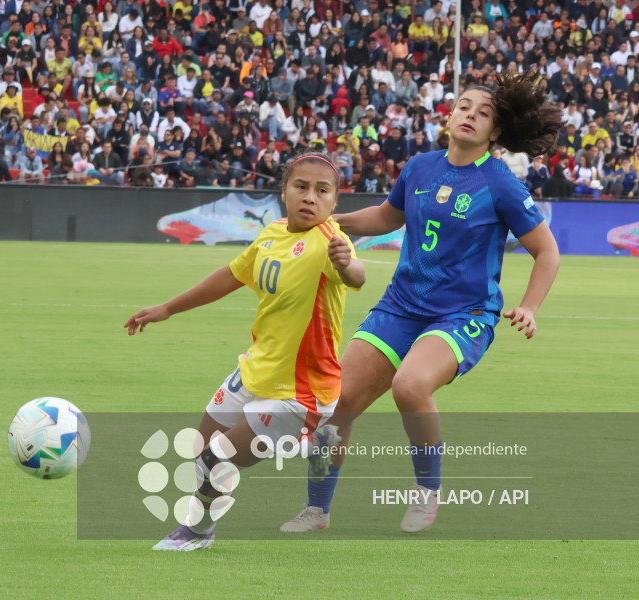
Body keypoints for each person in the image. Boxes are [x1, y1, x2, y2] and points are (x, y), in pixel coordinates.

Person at [281, 70, 562, 534]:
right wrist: (331, 222)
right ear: (449, 116)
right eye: (465, 107)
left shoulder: (501, 184)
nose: (471, 115)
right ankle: (317, 509)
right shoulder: (419, 167)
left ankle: (428, 493)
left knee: (410, 386)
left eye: (484, 113)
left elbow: (546, 251)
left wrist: (529, 307)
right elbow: (387, 217)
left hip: (463, 314)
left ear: (496, 133)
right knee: (336, 403)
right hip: (400, 307)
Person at [124, 150, 366, 551]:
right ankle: (308, 442)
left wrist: (346, 265)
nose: (310, 197)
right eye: (301, 187)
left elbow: (355, 276)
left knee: (215, 460)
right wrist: (167, 308)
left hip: (301, 393)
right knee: (199, 451)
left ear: (335, 202)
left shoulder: (331, 243)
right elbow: (231, 276)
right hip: (255, 372)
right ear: (283, 193)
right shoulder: (272, 233)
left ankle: (198, 532)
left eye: (322, 191)